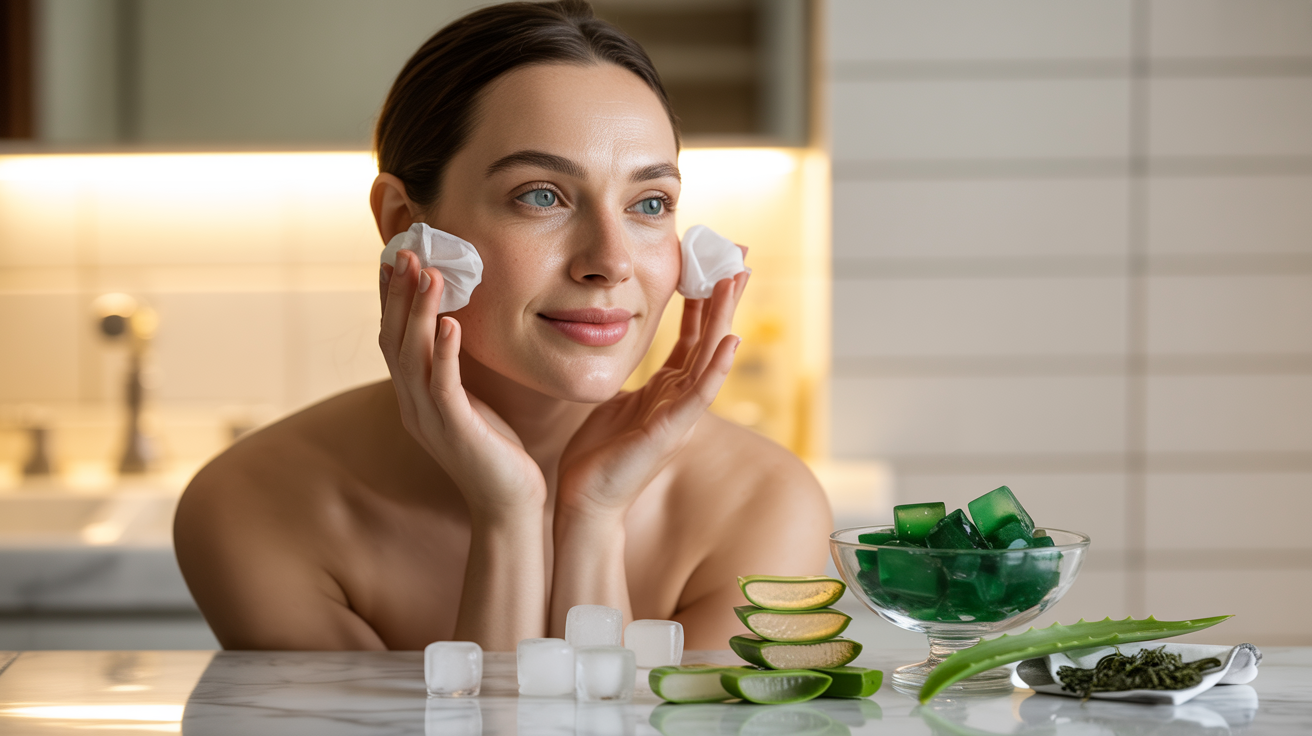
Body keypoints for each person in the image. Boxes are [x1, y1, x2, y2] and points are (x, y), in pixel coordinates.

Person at [174, 0, 831, 652]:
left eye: (649, 203)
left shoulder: (765, 507)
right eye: (541, 196)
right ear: (404, 222)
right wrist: (508, 518)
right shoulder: (254, 507)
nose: (609, 261)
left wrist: (593, 519)